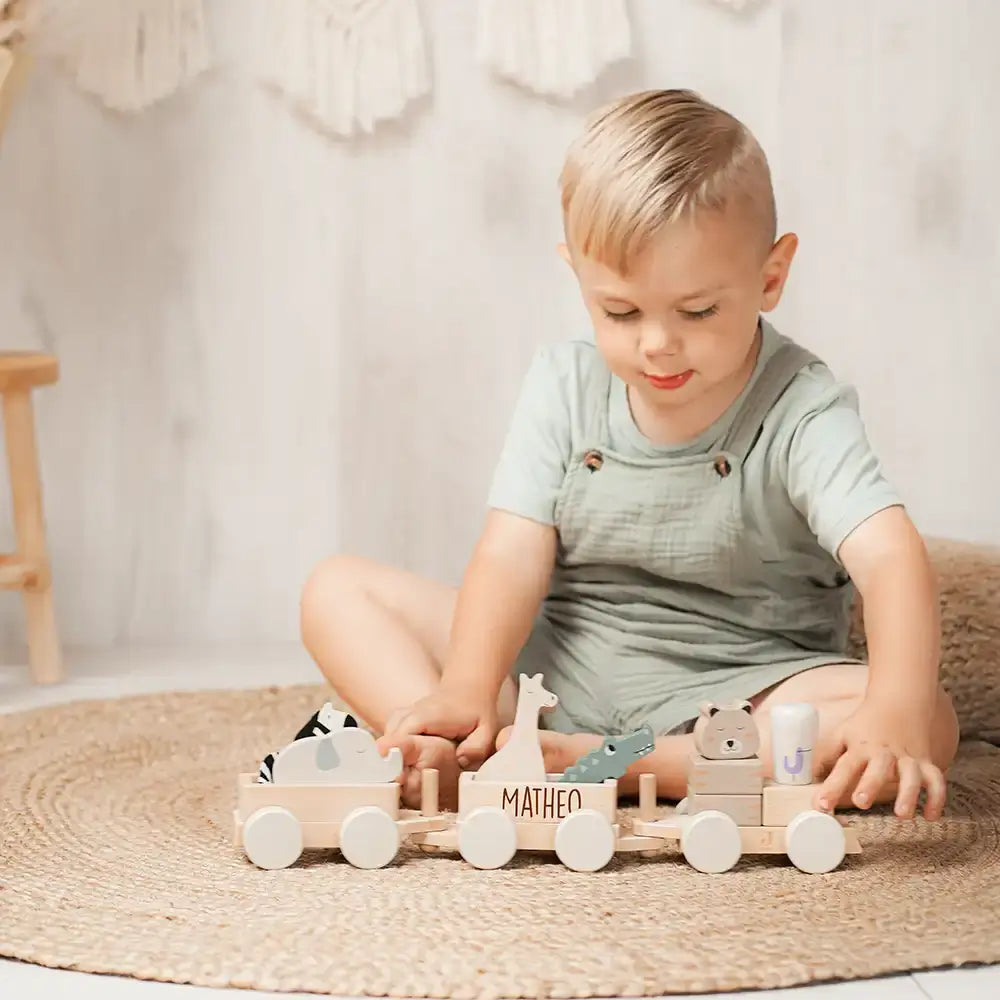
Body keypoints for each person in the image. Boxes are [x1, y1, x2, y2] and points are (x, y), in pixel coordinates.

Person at [300, 88, 959, 817]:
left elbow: (891, 556)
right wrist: (465, 683)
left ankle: (606, 766)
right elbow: (511, 555)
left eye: (698, 311)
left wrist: (893, 709)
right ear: (577, 275)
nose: (656, 343)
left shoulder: (802, 407)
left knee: (928, 718)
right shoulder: (564, 385)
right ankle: (457, 739)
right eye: (619, 311)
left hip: (742, 691)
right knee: (337, 591)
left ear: (770, 277)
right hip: (558, 670)